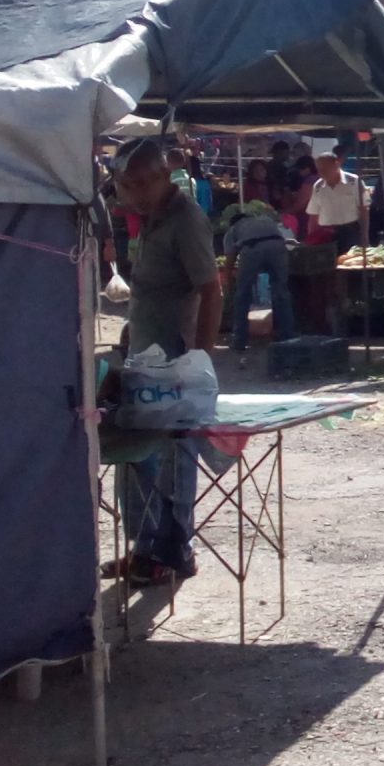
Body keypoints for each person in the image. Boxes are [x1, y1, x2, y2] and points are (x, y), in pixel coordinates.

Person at [110, 137, 219, 586]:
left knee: (175, 457)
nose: (130, 194)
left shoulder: (186, 218)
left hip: (177, 360)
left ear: (160, 177)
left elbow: (211, 289)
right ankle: (143, 547)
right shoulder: (150, 219)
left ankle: (173, 551)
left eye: (137, 184)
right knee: (134, 453)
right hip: (145, 356)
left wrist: (202, 359)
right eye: (124, 186)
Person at [219, 197, 296, 349]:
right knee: (281, 292)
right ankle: (286, 336)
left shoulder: (232, 230)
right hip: (278, 246)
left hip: (253, 248)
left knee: (243, 295)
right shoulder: (263, 219)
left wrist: (228, 280)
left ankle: (240, 340)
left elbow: (230, 258)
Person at [305, 151, 368, 256]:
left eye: (325, 168)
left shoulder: (354, 182)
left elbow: (364, 209)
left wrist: (365, 236)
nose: (322, 172)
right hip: (326, 234)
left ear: (336, 164)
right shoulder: (318, 186)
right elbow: (314, 214)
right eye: (319, 169)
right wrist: (311, 238)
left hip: (350, 232)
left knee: (350, 268)